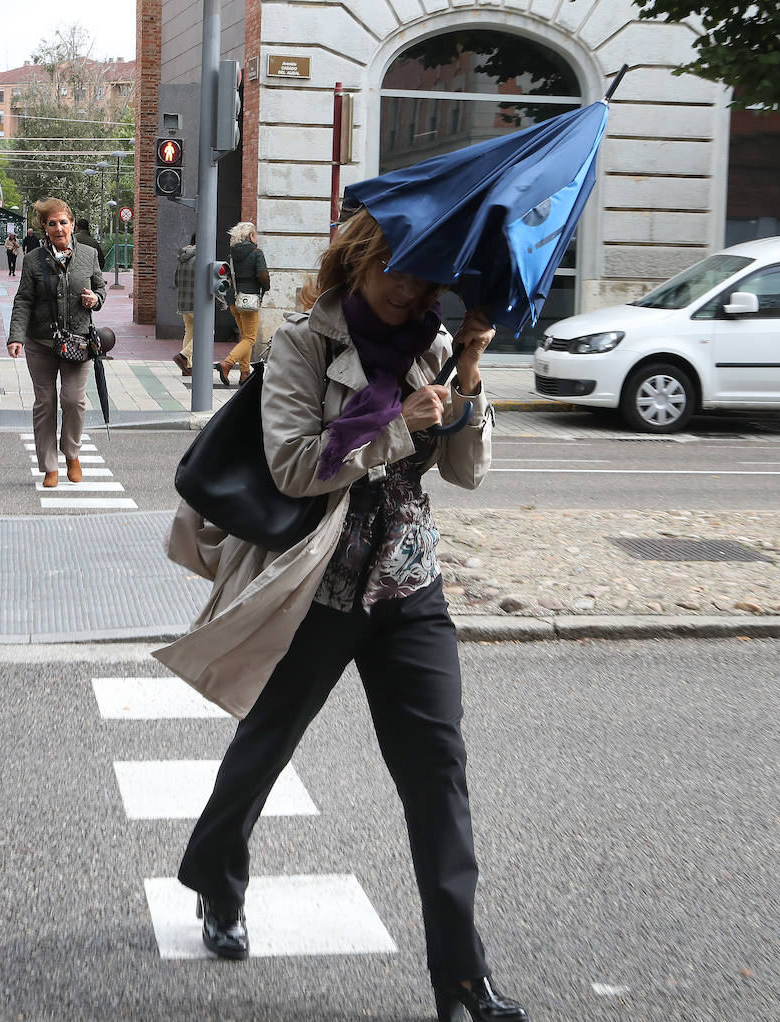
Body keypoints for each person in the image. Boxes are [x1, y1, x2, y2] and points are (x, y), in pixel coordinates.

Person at [159, 209, 527, 1022]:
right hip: (319, 585)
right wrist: (399, 425)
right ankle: (217, 880)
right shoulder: (304, 343)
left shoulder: (433, 342)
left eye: (422, 273)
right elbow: (294, 467)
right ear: (357, 262)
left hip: (409, 588)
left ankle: (463, 977)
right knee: (265, 749)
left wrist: (466, 371)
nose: (408, 287)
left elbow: (464, 472)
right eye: (394, 268)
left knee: (439, 778)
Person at [7, 198, 106, 489]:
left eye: (63, 222)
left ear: (72, 224)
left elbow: (99, 287)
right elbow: (23, 299)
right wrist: (16, 336)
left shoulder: (88, 254)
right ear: (44, 228)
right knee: (46, 402)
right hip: (40, 342)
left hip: (78, 341)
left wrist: (95, 299)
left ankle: (72, 454)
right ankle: (50, 466)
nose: (59, 228)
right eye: (52, 223)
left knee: (74, 401)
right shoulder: (34, 259)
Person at [217, 221, 269, 387]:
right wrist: (266, 286)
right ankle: (228, 363)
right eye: (255, 234)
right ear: (250, 236)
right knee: (250, 338)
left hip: (234, 299)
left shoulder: (233, 254)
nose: (257, 237)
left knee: (244, 336)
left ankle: (244, 373)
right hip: (250, 300)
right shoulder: (256, 253)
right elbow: (262, 275)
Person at [173, 233, 196, 376]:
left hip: (183, 301)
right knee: (206, 332)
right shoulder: (203, 257)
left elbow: (176, 280)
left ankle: (187, 367)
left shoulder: (182, 257)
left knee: (189, 331)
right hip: (198, 302)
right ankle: (183, 356)